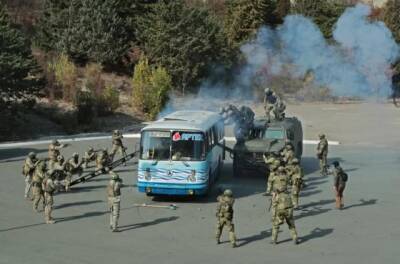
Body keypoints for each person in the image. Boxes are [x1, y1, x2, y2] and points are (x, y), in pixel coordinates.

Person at [268, 166, 298, 245]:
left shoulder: (276, 195)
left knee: (276, 225)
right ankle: (295, 238)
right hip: (288, 210)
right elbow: (289, 179)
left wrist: (273, 216)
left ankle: (274, 240)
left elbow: (274, 206)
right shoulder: (288, 195)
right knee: (291, 225)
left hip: (280, 211)